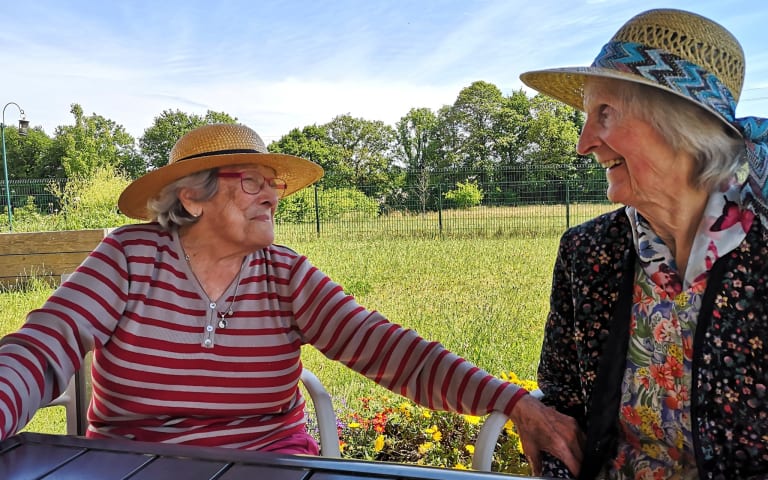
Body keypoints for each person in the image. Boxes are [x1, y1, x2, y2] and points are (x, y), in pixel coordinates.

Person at [0, 123, 582, 474]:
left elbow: (388, 349)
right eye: (251, 181)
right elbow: (44, 347)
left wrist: (513, 402)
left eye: (273, 184)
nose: (272, 196)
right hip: (137, 466)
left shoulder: (285, 274)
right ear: (193, 198)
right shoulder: (129, 259)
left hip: (272, 465)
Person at [519, 8, 768, 480]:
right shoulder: (587, 252)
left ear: (683, 127)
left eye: (605, 113)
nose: (583, 143)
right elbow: (562, 411)